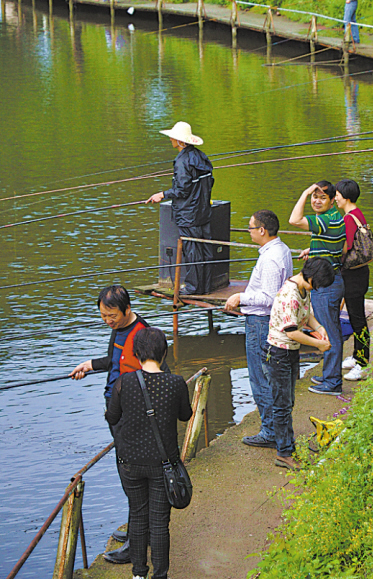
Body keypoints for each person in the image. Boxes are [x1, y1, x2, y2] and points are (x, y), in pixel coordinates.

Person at [70, 285, 162, 565]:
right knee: (127, 475)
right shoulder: (119, 328)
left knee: (133, 477)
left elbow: (158, 376)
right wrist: (89, 365)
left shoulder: (143, 335)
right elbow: (113, 361)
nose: (107, 320)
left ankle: (137, 543)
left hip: (132, 416)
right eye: (103, 315)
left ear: (127, 310)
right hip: (117, 411)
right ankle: (136, 527)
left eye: (112, 315)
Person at [106, 328, 192, 579]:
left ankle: (138, 574)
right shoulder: (175, 382)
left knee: (138, 515)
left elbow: (112, 417)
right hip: (163, 464)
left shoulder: (124, 382)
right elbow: (185, 415)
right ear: (164, 352)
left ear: (136, 353)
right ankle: (160, 575)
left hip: (130, 463)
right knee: (159, 523)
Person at [224, 210, 293, 449]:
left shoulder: (272, 258)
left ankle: (270, 431)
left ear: (262, 230)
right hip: (265, 322)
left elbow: (269, 297)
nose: (249, 231)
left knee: (260, 378)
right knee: (268, 376)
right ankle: (274, 427)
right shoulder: (280, 249)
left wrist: (239, 297)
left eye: (251, 227)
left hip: (261, 324)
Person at [266, 258, 333, 469]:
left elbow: (307, 314)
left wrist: (320, 328)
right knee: (282, 405)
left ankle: (288, 447)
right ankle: (284, 452)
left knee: (288, 402)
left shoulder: (304, 288)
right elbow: (292, 332)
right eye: (318, 284)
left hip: (290, 352)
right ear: (311, 278)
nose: (317, 289)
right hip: (279, 353)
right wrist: (317, 345)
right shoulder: (290, 295)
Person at [289, 181, 346, 395]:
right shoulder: (333, 218)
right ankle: (329, 375)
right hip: (332, 277)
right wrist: (312, 251)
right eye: (314, 196)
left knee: (329, 332)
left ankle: (332, 383)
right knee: (330, 329)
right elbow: (335, 244)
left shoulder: (324, 220)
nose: (316, 200)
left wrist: (304, 192)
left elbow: (294, 220)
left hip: (326, 284)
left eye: (322, 197)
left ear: (332, 200)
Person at [147, 121, 214, 295]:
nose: (170, 139)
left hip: (188, 214)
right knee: (205, 248)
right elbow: (208, 182)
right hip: (203, 212)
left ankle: (192, 288)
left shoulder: (182, 161)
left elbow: (182, 189)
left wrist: (162, 194)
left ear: (179, 141)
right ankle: (206, 286)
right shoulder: (201, 156)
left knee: (191, 249)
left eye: (173, 137)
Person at [334, 179, 370, 381]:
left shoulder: (349, 218)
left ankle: (363, 363)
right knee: (357, 317)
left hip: (354, 276)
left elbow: (345, 247)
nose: (335, 197)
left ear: (346, 196)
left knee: (358, 319)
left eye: (337, 194)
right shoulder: (357, 214)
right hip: (360, 273)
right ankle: (357, 356)